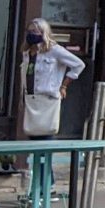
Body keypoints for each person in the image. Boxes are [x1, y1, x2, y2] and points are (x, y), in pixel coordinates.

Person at [21, 18, 85, 193]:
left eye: (36, 31)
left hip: (47, 99)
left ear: (44, 33)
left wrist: (64, 85)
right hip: (31, 99)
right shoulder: (27, 53)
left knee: (45, 142)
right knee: (34, 144)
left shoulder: (54, 51)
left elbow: (78, 65)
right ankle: (43, 184)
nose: (32, 34)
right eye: (30, 30)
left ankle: (47, 186)